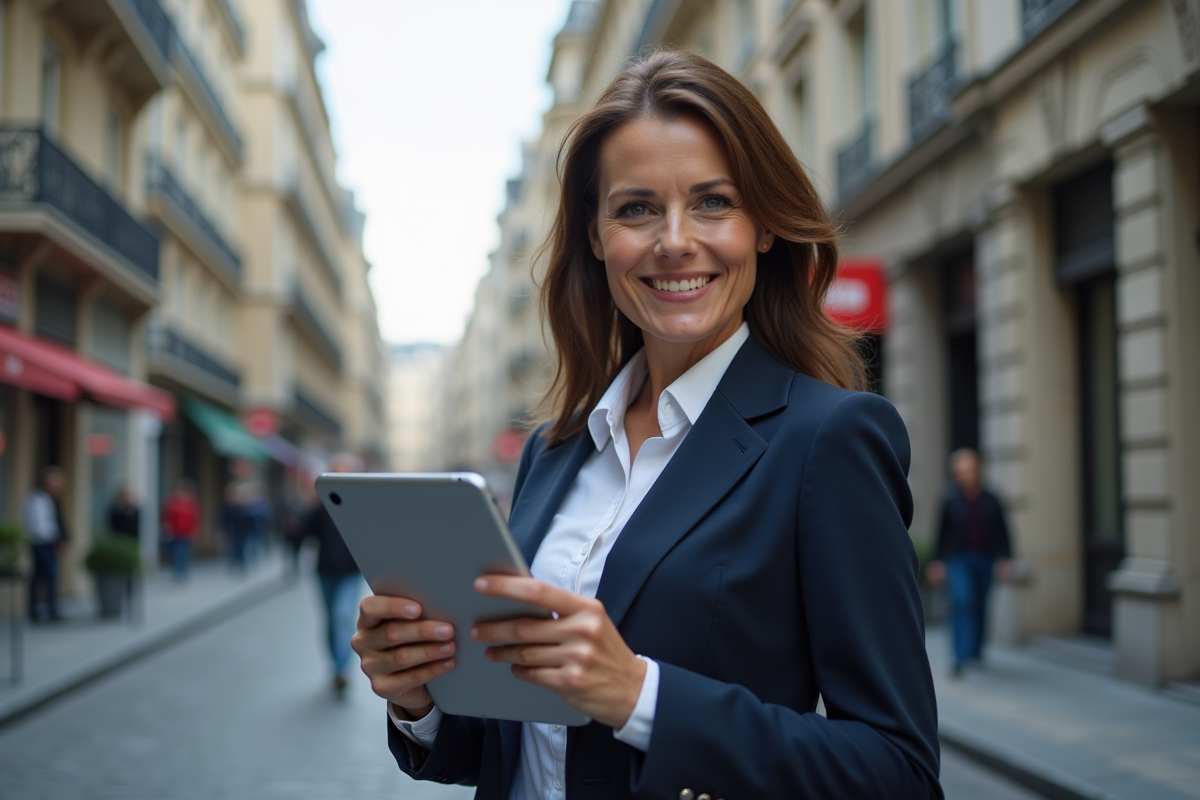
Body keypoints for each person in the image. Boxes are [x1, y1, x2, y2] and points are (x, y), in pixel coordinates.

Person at [353, 51, 941, 798]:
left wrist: (639, 697)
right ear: (595, 237)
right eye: (635, 208)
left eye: (713, 203)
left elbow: (899, 771)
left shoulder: (830, 440)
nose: (673, 240)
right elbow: (520, 744)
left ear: (763, 227)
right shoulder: (554, 450)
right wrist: (419, 697)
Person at [926, 449, 1013, 677]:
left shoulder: (992, 499)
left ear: (977, 470)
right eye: (958, 471)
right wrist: (937, 562)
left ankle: (976, 650)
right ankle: (959, 657)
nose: (962, 475)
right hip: (958, 559)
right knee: (961, 601)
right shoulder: (949, 498)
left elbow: (1003, 532)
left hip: (985, 558)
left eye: (967, 470)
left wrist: (1005, 559)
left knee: (980, 604)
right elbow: (941, 532)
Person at [296, 454, 362, 696]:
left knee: (342, 616)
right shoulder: (320, 506)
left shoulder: (360, 507)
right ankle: (335, 666)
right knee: (331, 621)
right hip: (325, 572)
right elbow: (302, 535)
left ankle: (342, 670)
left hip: (350, 573)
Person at [23, 466, 69, 623]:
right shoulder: (35, 500)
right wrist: (53, 538)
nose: (58, 486)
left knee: (47, 576)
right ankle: (40, 609)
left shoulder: (53, 500)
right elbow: (39, 526)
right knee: (44, 576)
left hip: (50, 544)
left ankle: (48, 609)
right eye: (55, 482)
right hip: (40, 543)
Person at [162, 480, 201, 580]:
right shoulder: (173, 502)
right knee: (177, 552)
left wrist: (195, 530)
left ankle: (183, 570)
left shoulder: (191, 503)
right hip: (176, 532)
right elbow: (168, 516)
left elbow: (195, 518)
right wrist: (167, 527)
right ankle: (177, 570)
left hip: (187, 532)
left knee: (185, 552)